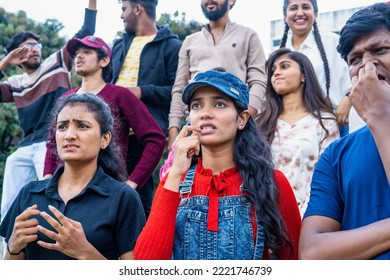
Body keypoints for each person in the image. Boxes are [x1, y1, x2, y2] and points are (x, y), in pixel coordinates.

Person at [134, 69, 301, 260]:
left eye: (219, 104)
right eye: (197, 106)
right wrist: (174, 174)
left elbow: (294, 260)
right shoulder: (174, 181)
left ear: (242, 119)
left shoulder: (272, 182)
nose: (205, 113)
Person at [0, 93, 146, 259]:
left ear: (104, 139)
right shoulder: (29, 193)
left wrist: (86, 253)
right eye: (62, 127)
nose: (69, 135)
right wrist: (13, 248)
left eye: (82, 126)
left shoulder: (123, 198)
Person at [299, 2, 390, 260]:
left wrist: (381, 116)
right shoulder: (336, 154)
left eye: (380, 50)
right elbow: (312, 252)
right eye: (355, 59)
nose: (367, 67)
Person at [0, 0, 97, 241]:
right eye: (26, 47)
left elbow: (86, 31)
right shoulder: (15, 83)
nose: (33, 49)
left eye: (35, 45)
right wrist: (5, 63)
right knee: (9, 206)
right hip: (24, 147)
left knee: (46, 199)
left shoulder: (56, 62)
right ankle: (9, 256)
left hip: (51, 142)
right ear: (16, 55)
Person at [43, 35, 166, 198]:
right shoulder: (66, 98)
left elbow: (156, 138)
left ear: (104, 61)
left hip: (105, 191)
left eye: (86, 52)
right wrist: (47, 179)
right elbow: (53, 142)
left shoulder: (120, 95)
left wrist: (132, 184)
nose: (79, 56)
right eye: (77, 53)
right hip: (63, 189)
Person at [109, 0, 181, 217]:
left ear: (138, 9)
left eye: (124, 9)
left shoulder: (171, 45)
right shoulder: (119, 46)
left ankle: (144, 248)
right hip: (112, 133)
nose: (122, 16)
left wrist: (142, 91)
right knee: (109, 194)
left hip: (145, 134)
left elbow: (177, 91)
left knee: (140, 196)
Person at [167, 0, 267, 151]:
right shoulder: (189, 41)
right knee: (190, 173)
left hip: (234, 127)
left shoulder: (248, 36)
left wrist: (242, 119)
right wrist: (174, 130)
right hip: (196, 129)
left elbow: (259, 80)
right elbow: (180, 87)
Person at [256, 48, 339, 217]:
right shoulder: (261, 123)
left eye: (284, 66)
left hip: (309, 215)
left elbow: (328, 178)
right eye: (273, 71)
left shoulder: (325, 122)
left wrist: (303, 217)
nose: (276, 73)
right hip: (263, 217)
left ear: (303, 75)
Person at [279, 0, 363, 136]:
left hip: (337, 122)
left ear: (316, 13)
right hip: (297, 129)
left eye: (306, 7)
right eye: (293, 8)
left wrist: (348, 98)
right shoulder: (280, 52)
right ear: (285, 16)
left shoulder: (332, 41)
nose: (300, 13)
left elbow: (356, 73)